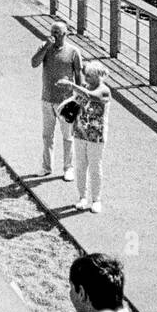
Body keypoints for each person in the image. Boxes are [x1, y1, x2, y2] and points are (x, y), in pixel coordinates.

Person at [58, 59, 111, 212]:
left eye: (89, 75)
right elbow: (76, 103)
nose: (86, 78)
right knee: (81, 166)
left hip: (96, 136)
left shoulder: (104, 90)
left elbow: (91, 96)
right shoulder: (84, 87)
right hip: (80, 132)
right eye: (85, 75)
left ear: (98, 76)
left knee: (95, 167)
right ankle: (82, 197)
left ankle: (96, 200)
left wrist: (72, 85)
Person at [31, 21, 82, 179]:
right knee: (47, 136)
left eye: (57, 32)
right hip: (47, 99)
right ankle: (46, 167)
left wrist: (79, 98)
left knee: (68, 137)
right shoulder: (44, 47)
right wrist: (46, 47)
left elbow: (78, 75)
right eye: (52, 31)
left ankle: (68, 168)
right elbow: (34, 63)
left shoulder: (73, 52)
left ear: (65, 34)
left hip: (66, 101)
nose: (53, 35)